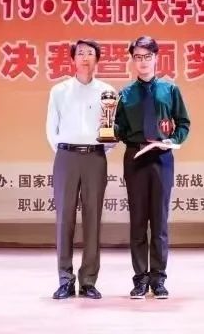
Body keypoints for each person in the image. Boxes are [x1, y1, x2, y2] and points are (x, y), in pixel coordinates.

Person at [114, 36, 190, 300]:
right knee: (137, 222)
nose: (143, 62)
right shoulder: (124, 95)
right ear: (132, 60)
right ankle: (140, 280)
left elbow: (183, 123)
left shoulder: (170, 90)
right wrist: (108, 128)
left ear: (156, 58)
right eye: (138, 57)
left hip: (161, 158)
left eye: (147, 56)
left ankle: (158, 279)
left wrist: (171, 140)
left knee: (159, 222)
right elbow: (119, 129)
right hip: (135, 158)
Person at [45, 39, 116, 300]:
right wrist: (65, 152)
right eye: (81, 53)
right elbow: (51, 128)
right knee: (64, 219)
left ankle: (88, 281)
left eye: (90, 53)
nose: (85, 57)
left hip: (95, 157)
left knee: (92, 219)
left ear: (97, 59)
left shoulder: (108, 92)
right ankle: (65, 279)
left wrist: (101, 151)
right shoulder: (59, 90)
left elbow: (111, 129)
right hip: (66, 156)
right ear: (73, 59)